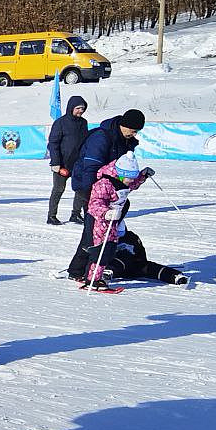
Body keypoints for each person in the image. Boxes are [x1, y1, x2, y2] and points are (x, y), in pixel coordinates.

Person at [64, 108, 143, 279]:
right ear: (124, 125)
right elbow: (91, 166)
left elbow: (122, 170)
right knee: (93, 230)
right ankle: (79, 270)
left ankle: (98, 263)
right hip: (90, 186)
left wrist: (139, 177)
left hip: (109, 188)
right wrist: (93, 194)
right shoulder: (102, 137)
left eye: (137, 131)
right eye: (133, 130)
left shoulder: (126, 140)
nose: (134, 134)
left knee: (107, 227)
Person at [80, 153, 154, 290]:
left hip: (113, 221)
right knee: (100, 250)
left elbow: (132, 184)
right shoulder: (104, 184)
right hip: (99, 221)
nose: (130, 181)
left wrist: (143, 176)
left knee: (109, 249)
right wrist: (106, 213)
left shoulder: (124, 182)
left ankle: (98, 276)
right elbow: (95, 203)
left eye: (132, 178)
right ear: (120, 173)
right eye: (129, 178)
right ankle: (91, 279)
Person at [45, 95, 89, 224]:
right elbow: (53, 143)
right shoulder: (60, 122)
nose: (80, 110)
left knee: (81, 190)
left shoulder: (83, 123)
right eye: (78, 108)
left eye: (83, 108)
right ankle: (51, 216)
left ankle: (75, 214)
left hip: (78, 164)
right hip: (62, 164)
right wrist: (55, 162)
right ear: (71, 108)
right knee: (58, 189)